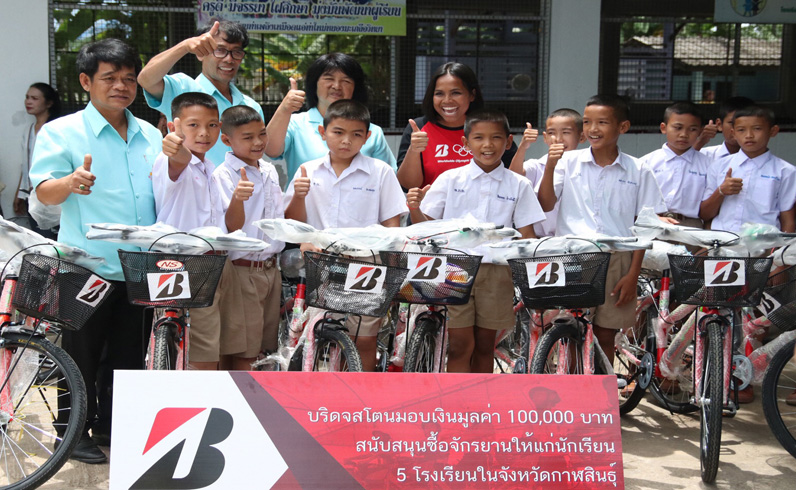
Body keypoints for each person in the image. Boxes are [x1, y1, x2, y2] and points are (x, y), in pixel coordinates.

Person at [29, 38, 162, 463]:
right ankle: (71, 434)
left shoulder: (151, 135)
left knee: (128, 355)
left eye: (129, 79)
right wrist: (69, 183)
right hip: (84, 265)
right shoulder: (61, 131)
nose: (121, 86)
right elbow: (43, 192)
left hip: (138, 266)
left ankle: (112, 426)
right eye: (110, 78)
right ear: (86, 81)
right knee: (80, 353)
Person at [407, 109, 543, 373]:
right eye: (479, 138)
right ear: (465, 143)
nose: (487, 144)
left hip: (497, 272)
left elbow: (527, 235)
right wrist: (414, 208)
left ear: (508, 142)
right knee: (460, 344)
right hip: (453, 268)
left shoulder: (519, 184)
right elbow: (426, 229)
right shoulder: (450, 179)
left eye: (496, 137)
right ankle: (457, 398)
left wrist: (531, 275)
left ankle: (479, 399)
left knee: (484, 345)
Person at [538, 94, 666, 368]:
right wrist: (550, 166)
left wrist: (633, 274)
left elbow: (645, 226)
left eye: (602, 122)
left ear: (623, 127)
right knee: (571, 327)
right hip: (572, 256)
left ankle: (600, 391)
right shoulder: (568, 162)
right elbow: (546, 203)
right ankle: (574, 388)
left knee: (605, 333)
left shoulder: (638, 169)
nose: (592, 129)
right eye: (587, 122)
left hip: (617, 259)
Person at [284, 100, 406, 371]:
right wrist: (299, 198)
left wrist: (390, 260)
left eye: (356, 134)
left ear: (367, 136)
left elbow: (392, 224)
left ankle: (361, 392)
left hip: (366, 263)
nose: (346, 141)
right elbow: (293, 222)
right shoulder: (308, 170)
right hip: (320, 261)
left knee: (363, 336)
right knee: (319, 332)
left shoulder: (380, 172)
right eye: (338, 132)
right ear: (322, 132)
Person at [700, 106, 796, 404]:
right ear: (732, 132)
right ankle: (715, 376)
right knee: (718, 313)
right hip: (724, 251)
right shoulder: (720, 165)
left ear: (773, 131)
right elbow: (705, 213)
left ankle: (742, 380)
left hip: (763, 253)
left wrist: (779, 258)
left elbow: (788, 218)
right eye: (741, 130)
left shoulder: (784, 171)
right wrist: (721, 191)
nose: (748, 136)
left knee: (752, 317)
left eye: (756, 129)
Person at [152, 92, 244, 371]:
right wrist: (174, 143)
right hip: (185, 264)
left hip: (216, 261)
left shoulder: (210, 168)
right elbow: (179, 156)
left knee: (219, 343)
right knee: (200, 348)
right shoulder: (172, 160)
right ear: (173, 126)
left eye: (212, 125)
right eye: (193, 125)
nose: (204, 133)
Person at [213, 106, 285, 369]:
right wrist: (238, 199)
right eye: (248, 137)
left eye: (262, 134)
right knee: (242, 349)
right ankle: (238, 394)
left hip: (270, 269)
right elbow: (231, 228)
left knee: (263, 347)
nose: (258, 142)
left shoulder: (269, 170)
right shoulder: (223, 175)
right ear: (226, 139)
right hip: (241, 270)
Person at [138, 19, 263, 166]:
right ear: (201, 53)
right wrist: (185, 46)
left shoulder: (251, 106)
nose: (229, 59)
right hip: (192, 180)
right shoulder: (182, 89)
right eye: (220, 50)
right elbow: (146, 79)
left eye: (236, 52)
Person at [266, 53, 396, 183]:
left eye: (346, 81)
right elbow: (270, 150)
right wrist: (284, 109)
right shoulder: (295, 123)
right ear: (314, 83)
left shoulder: (373, 132)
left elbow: (388, 178)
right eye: (329, 79)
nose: (337, 86)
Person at [396, 62, 517, 190]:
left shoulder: (490, 125)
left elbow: (515, 178)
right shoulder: (419, 128)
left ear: (472, 95)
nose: (447, 100)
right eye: (439, 93)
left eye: (456, 93)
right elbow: (407, 186)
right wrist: (414, 150)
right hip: (431, 204)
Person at [509, 108, 585, 237]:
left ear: (581, 136)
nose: (559, 139)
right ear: (545, 137)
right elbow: (513, 177)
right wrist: (523, 146)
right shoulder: (538, 165)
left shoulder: (587, 166)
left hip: (577, 238)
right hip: (542, 239)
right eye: (551, 133)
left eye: (566, 132)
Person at [640, 101, 711, 230]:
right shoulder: (646, 163)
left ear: (700, 131)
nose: (684, 134)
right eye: (678, 128)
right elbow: (634, 201)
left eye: (692, 129)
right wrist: (652, 218)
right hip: (652, 223)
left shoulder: (708, 165)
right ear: (663, 128)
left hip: (691, 226)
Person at [16, 82, 61, 236]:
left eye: (34, 98)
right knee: (36, 238)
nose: (28, 102)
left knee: (51, 240)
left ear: (49, 103)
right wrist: (19, 194)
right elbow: (26, 164)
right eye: (27, 97)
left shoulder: (56, 129)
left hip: (50, 195)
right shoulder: (28, 130)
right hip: (30, 195)